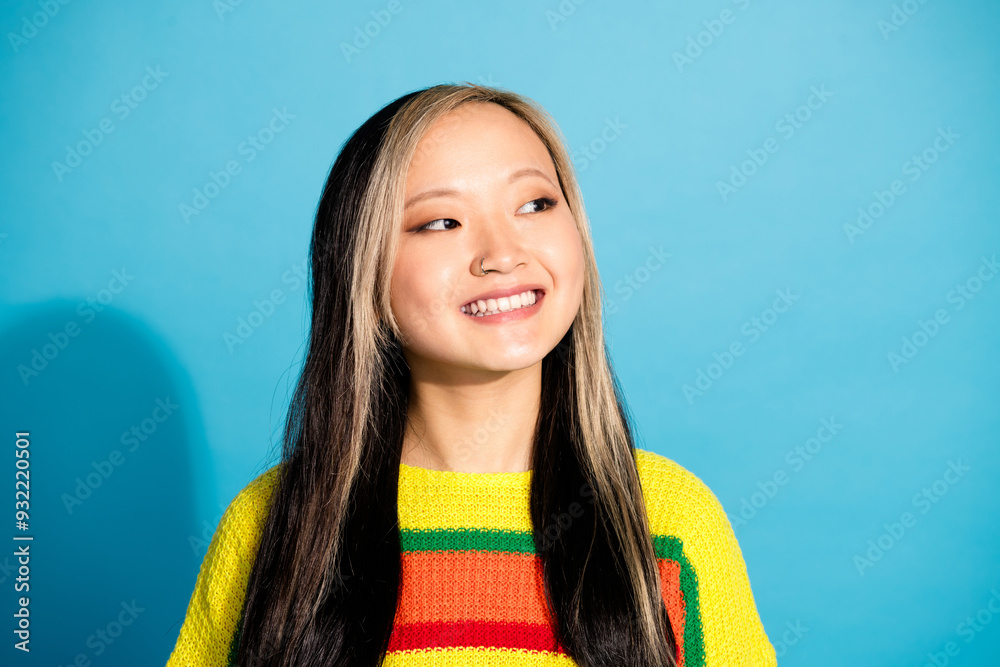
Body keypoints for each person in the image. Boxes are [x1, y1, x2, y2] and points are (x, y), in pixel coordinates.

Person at [166, 83, 776, 667]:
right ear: (366, 275)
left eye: (536, 204)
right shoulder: (272, 528)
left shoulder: (670, 524)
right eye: (441, 222)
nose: (503, 253)